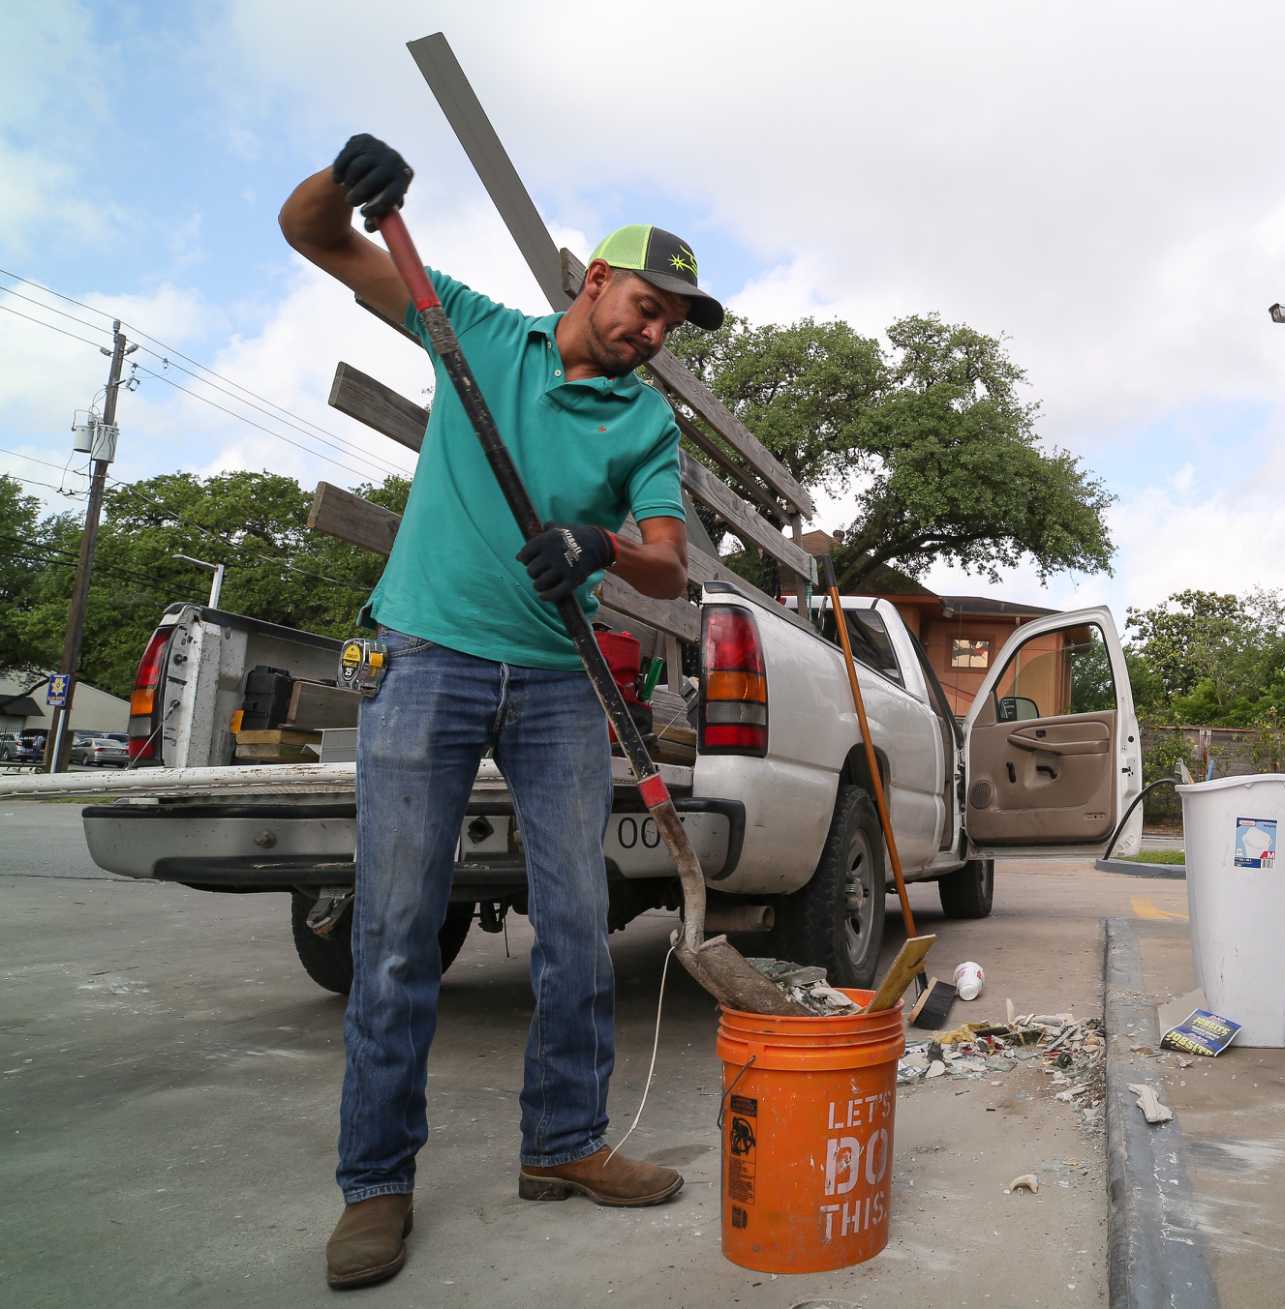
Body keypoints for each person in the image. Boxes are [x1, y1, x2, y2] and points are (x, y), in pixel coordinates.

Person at [279, 133, 723, 1291]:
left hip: (555, 680)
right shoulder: (474, 330)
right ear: (592, 282)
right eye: (645, 304)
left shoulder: (642, 426)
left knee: (577, 924)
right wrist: (345, 182)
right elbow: (313, 234)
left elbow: (672, 565)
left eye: (672, 321)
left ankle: (564, 1144)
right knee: (392, 933)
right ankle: (375, 1185)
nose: (653, 331)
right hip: (423, 654)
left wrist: (605, 543)